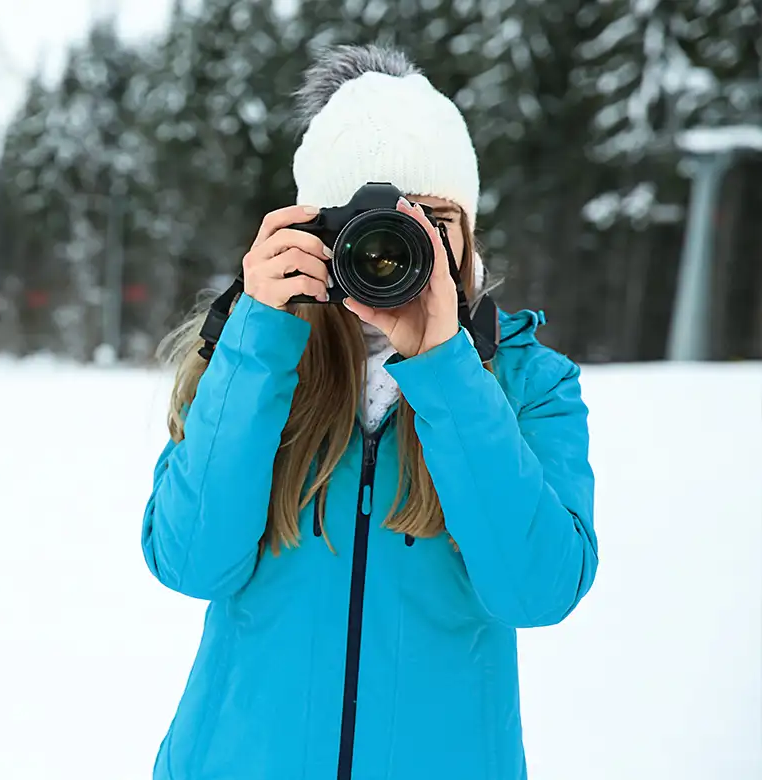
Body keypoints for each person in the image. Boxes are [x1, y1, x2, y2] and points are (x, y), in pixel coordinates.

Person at [141, 44, 599, 780]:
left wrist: (446, 369)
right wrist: (258, 334)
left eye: (429, 220)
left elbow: (536, 590)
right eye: (356, 224)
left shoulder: (528, 384)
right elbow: (191, 562)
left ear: (467, 233)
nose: (387, 250)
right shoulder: (253, 360)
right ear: (307, 229)